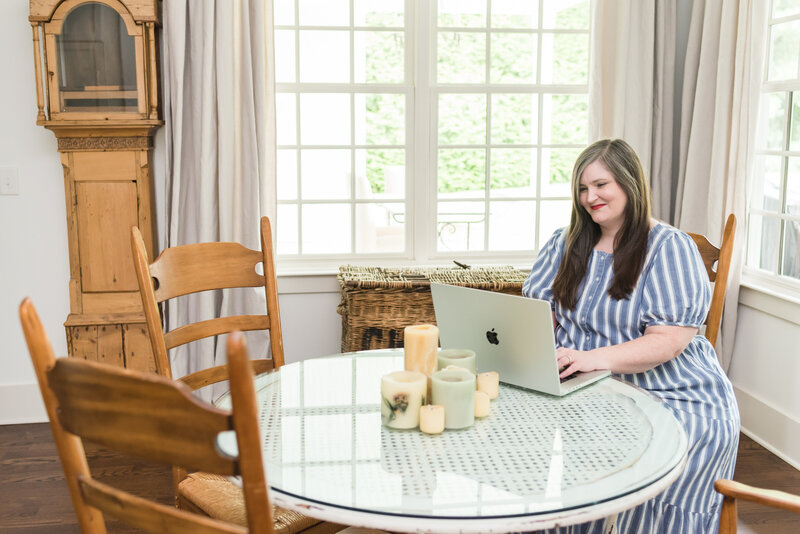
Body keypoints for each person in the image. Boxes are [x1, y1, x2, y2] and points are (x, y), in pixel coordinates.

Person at [523, 138, 739, 533]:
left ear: (629, 184)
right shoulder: (564, 242)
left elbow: (668, 340)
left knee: (630, 463)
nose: (590, 197)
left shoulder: (668, 247)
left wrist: (589, 358)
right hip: (586, 385)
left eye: (601, 185)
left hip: (673, 392)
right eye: (583, 189)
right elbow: (540, 317)